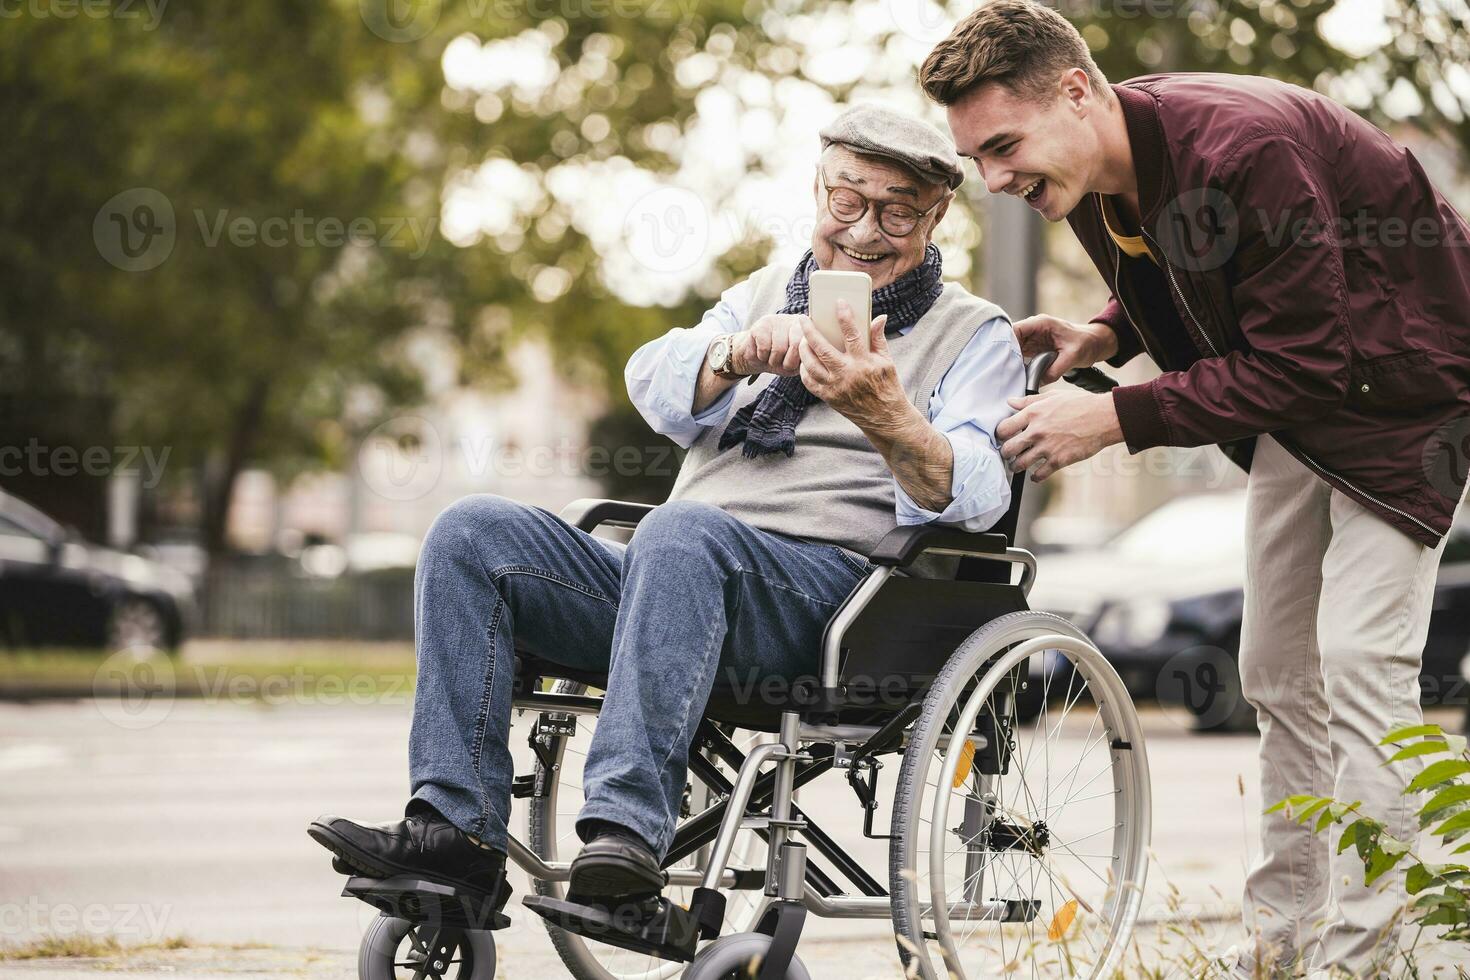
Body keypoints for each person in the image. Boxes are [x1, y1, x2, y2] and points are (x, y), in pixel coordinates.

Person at [308, 104, 1024, 918]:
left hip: (832, 607)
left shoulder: (975, 334)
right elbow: (653, 381)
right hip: (673, 579)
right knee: (472, 533)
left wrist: (887, 413)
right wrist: (739, 351)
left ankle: (624, 837)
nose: (864, 230)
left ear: (936, 216)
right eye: (847, 200)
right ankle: (456, 837)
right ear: (817, 190)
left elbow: (976, 491)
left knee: (683, 532)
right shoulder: (761, 295)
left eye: (897, 211)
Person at [919, 2, 1470, 976]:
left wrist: (1114, 416)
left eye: (1004, 147)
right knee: (1274, 669)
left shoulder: (1243, 150)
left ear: (1078, 92)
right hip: (1306, 403)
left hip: (1402, 397)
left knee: (1358, 663)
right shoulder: (1092, 175)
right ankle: (1285, 936)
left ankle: (1369, 952)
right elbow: (1211, 274)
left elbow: (1306, 354)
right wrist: (1110, 331)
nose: (998, 181)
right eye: (979, 162)